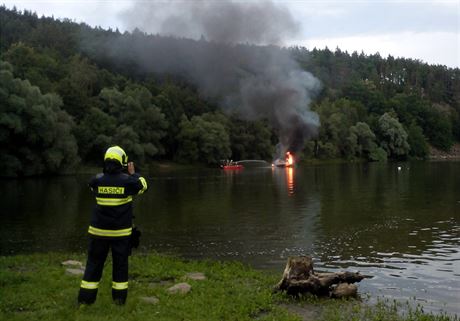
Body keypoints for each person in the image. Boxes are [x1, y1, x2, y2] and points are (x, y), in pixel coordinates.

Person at [78, 146, 148, 305]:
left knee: (93, 265)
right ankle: (119, 301)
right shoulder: (129, 182)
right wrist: (133, 173)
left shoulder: (96, 180)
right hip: (120, 234)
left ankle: (85, 301)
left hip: (98, 233)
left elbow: (91, 186)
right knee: (120, 266)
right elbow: (143, 185)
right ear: (122, 162)